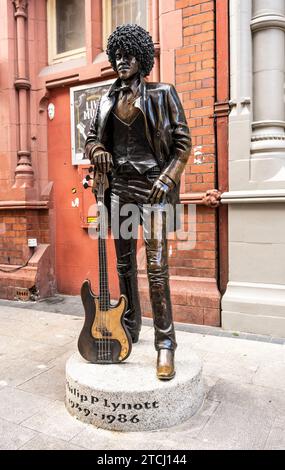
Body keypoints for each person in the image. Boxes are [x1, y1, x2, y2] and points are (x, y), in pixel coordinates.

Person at [85, 24, 191, 380]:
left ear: (142, 58)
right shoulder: (106, 100)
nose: (121, 60)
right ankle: (130, 326)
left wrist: (167, 177)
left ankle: (166, 345)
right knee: (124, 266)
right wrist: (97, 148)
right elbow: (90, 139)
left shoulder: (162, 94)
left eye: (128, 54)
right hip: (118, 190)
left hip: (153, 190)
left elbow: (182, 144)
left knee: (157, 268)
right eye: (117, 54)